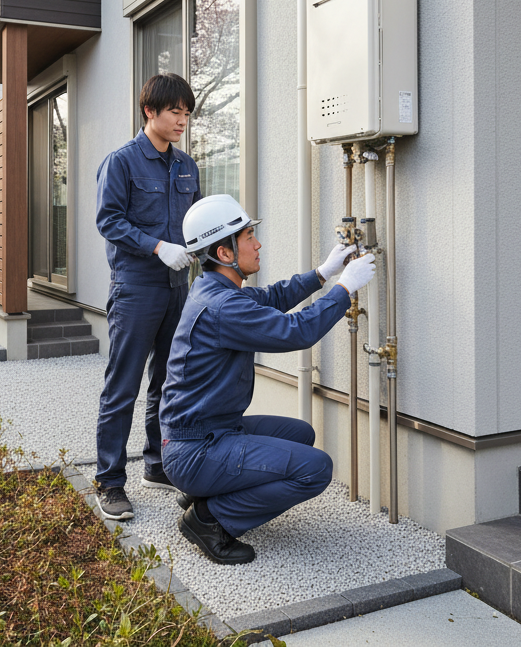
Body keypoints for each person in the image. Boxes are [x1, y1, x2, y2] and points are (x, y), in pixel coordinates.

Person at [159, 194, 376, 564]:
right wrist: (344, 289)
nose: (257, 244)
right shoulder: (223, 306)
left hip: (207, 432)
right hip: (195, 449)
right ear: (225, 253)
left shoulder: (215, 289)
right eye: (247, 238)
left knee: (300, 435)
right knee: (316, 468)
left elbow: (273, 297)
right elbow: (296, 332)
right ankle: (210, 520)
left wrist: (323, 273)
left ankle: (206, 493)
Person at [93, 72, 202, 521]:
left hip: (179, 288)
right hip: (136, 288)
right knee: (124, 386)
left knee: (168, 382)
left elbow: (196, 221)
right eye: (175, 111)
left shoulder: (187, 166)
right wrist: (158, 246)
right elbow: (109, 220)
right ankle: (110, 480)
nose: (182, 120)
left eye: (187, 113)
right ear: (149, 112)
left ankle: (157, 465)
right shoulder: (121, 162)